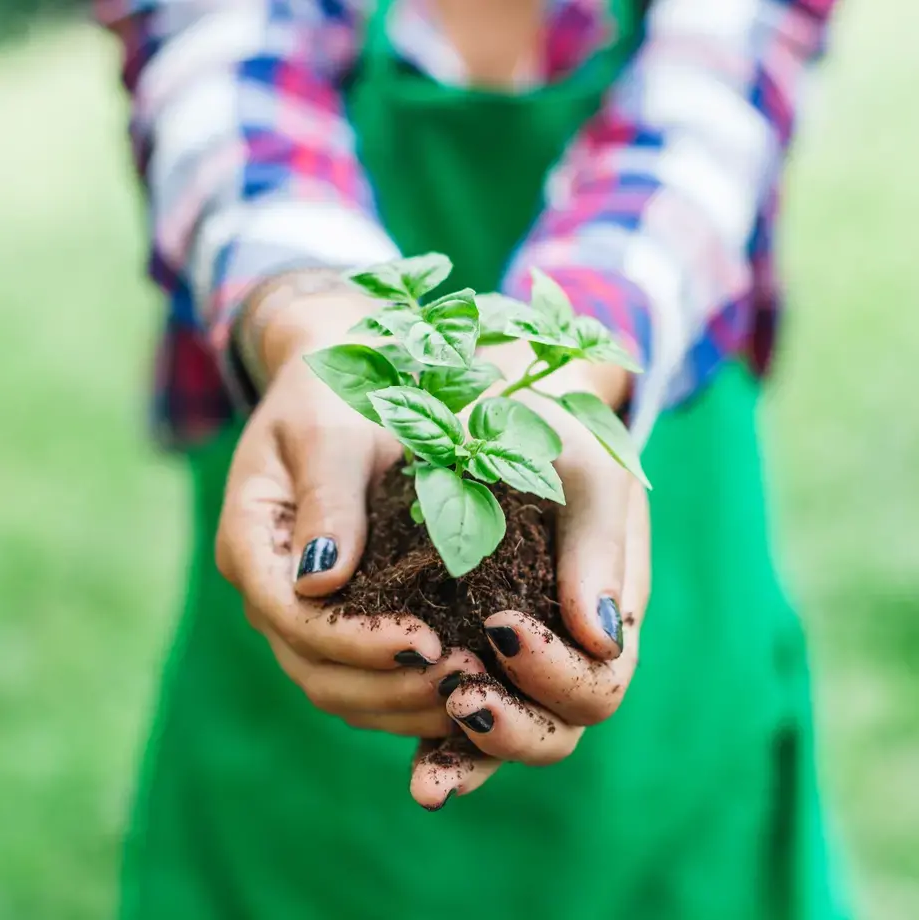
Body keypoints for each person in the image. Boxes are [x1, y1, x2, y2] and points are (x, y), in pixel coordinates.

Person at [97, 0, 846, 917]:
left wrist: (571, 353)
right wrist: (308, 317)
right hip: (302, 654)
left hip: (671, 582)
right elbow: (222, 77)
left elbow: (708, 117)